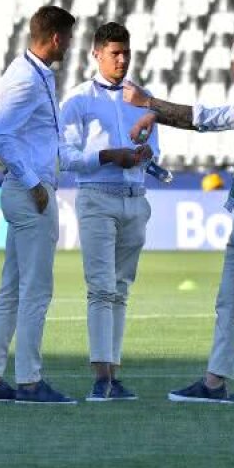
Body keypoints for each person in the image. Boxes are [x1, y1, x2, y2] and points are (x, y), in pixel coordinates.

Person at [123, 38, 234, 404]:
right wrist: (156, 114)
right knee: (229, 302)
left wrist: (151, 104)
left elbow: (210, 118)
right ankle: (214, 381)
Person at [0, 5, 80, 405]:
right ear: (55, 38)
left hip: (19, 189)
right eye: (68, 37)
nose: (69, 44)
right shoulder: (28, 79)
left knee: (13, 289)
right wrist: (31, 177)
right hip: (30, 193)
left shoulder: (23, 71)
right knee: (36, 291)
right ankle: (30, 382)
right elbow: (1, 134)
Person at [59, 22, 156, 402]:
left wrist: (146, 155)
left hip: (135, 195)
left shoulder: (141, 97)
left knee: (121, 290)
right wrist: (108, 155)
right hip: (97, 196)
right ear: (96, 54)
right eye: (115, 53)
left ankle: (112, 376)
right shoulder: (78, 100)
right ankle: (102, 377)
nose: (122, 59)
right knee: (101, 288)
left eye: (126, 53)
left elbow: (155, 148)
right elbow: (66, 158)